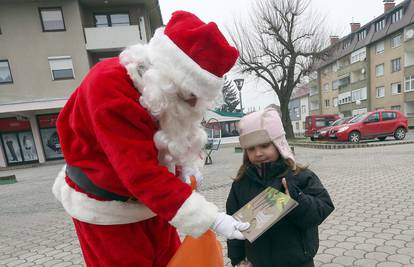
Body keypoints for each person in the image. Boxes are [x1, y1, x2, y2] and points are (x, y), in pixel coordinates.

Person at [52, 11, 249, 267]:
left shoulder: (160, 95)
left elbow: (170, 141)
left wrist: (184, 174)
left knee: (174, 261)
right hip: (106, 212)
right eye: (190, 95)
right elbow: (140, 173)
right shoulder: (109, 87)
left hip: (154, 206)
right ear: (169, 77)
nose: (193, 105)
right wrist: (210, 218)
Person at [226, 107, 335, 267]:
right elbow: (233, 225)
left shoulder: (300, 176)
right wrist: (237, 259)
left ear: (278, 144)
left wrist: (296, 200)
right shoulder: (241, 184)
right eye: (251, 148)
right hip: (258, 262)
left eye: (264, 146)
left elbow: (323, 208)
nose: (258, 153)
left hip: (297, 262)